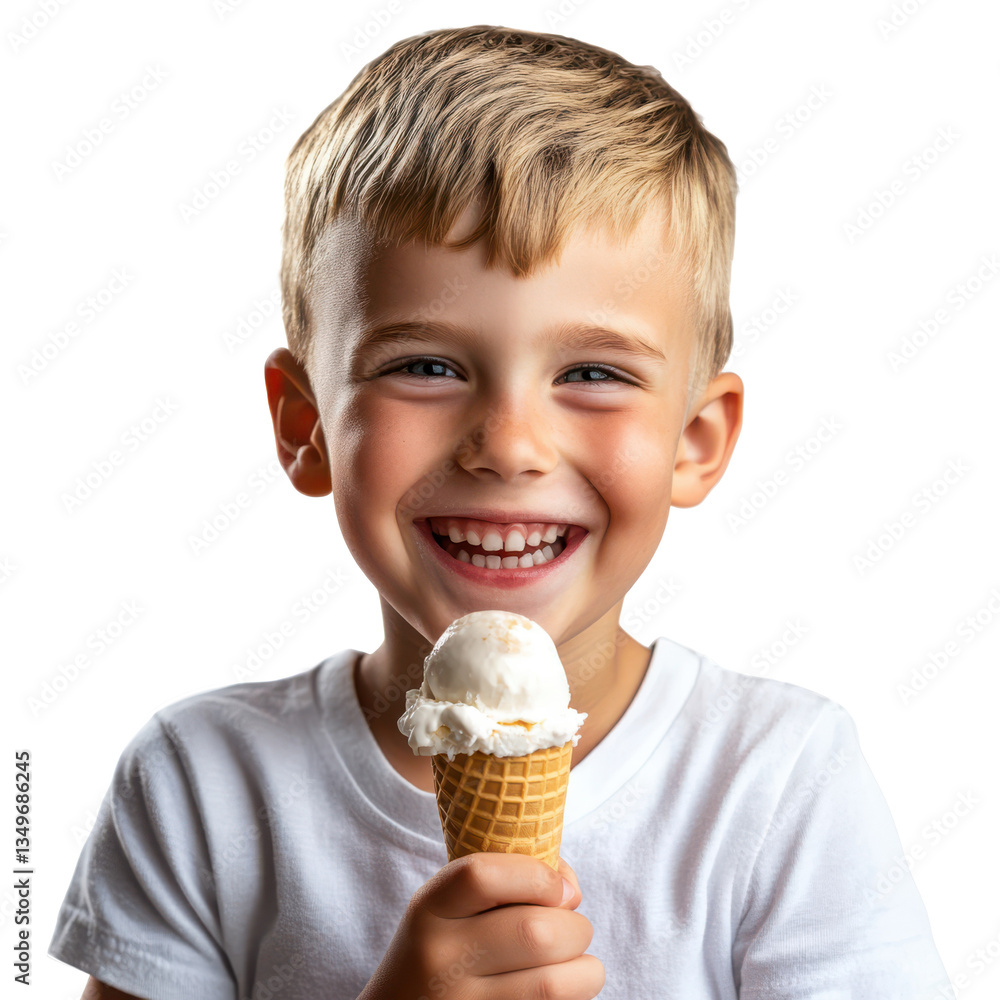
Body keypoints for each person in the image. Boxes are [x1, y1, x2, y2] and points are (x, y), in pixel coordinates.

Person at [50, 24, 954, 1000]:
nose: (510, 444)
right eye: (425, 366)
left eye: (593, 373)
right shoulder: (203, 784)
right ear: (306, 426)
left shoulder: (778, 781)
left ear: (695, 440)